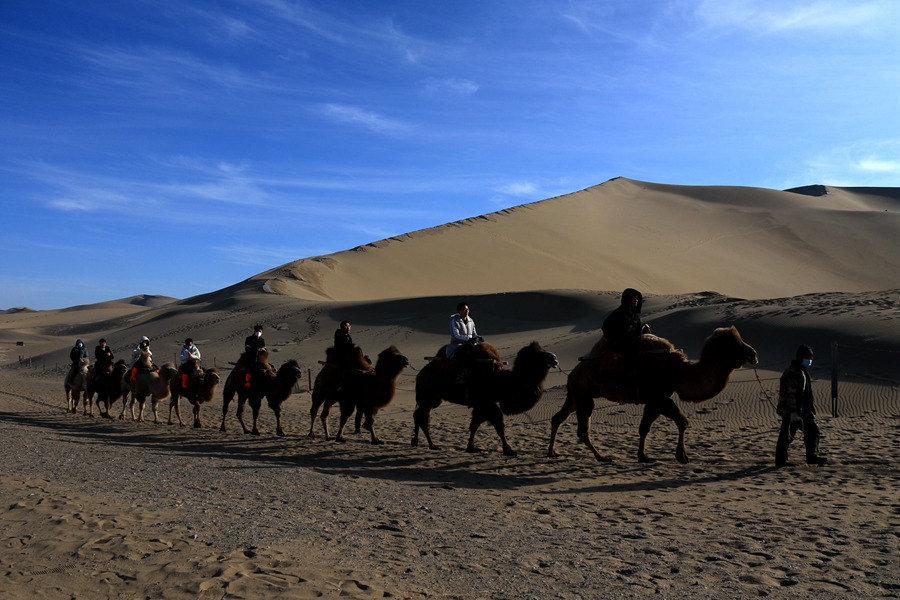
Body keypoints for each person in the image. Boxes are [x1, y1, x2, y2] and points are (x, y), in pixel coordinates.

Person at [776, 345, 828, 466]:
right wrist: (794, 411)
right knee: (789, 434)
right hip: (793, 411)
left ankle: (810, 456)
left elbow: (805, 393)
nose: (809, 361)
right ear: (800, 357)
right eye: (807, 358)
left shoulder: (801, 371)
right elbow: (790, 394)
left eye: (810, 358)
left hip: (801, 410)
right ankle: (783, 460)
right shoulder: (793, 372)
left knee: (808, 431)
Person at [600, 288, 651, 379]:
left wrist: (644, 331)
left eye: (637, 298)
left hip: (634, 342)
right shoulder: (619, 314)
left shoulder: (635, 316)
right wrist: (615, 341)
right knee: (631, 355)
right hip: (621, 345)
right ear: (628, 299)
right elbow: (606, 327)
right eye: (634, 298)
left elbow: (637, 329)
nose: (636, 300)